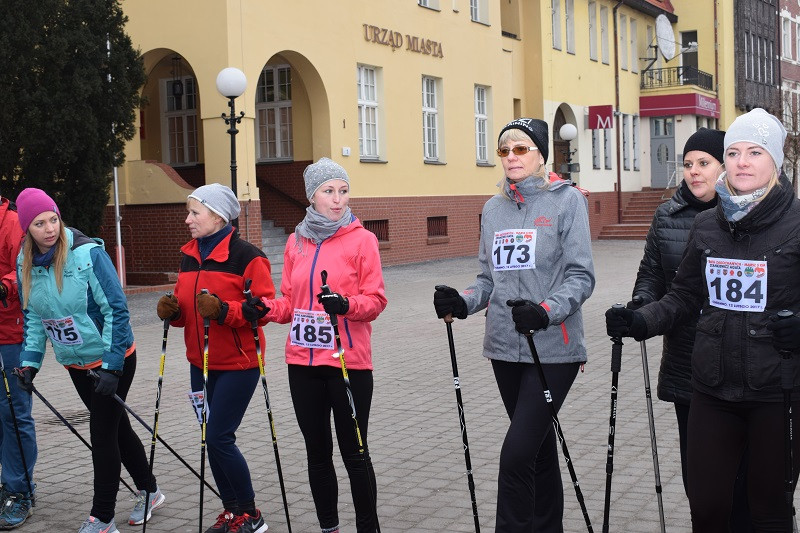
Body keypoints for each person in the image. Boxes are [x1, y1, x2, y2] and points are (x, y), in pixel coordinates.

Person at [606, 108, 800, 532]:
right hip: (711, 387)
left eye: (755, 152)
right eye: (733, 152)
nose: (742, 162)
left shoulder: (796, 222)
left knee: (768, 511)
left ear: (776, 162)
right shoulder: (709, 224)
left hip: (777, 390)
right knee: (708, 506)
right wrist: (640, 321)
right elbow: (684, 295)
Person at [433, 118, 595, 532]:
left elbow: (581, 276)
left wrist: (546, 309)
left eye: (520, 149)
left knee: (516, 454)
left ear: (541, 154)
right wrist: (463, 302)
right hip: (504, 347)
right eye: (504, 150)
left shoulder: (566, 201)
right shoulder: (493, 208)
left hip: (554, 347)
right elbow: (488, 280)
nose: (511, 157)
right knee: (538, 451)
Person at [14, 187, 164, 533]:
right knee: (117, 429)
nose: (49, 228)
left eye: (53, 219)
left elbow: (117, 310)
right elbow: (35, 317)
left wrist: (112, 366)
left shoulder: (86, 254)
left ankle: (103, 516)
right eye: (39, 223)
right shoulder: (26, 263)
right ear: (27, 229)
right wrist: (30, 363)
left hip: (112, 358)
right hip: (75, 363)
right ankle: (150, 490)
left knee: (102, 434)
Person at [260, 157, 387, 533]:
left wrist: (346, 305)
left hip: (348, 363)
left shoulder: (363, 240)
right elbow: (288, 304)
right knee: (317, 454)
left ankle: (368, 527)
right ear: (311, 197)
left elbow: (376, 300)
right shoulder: (296, 241)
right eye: (328, 191)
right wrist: (262, 309)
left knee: (355, 454)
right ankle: (328, 526)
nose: (337, 199)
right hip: (303, 363)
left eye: (343, 191)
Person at [156, 183, 273, 533]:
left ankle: (251, 514)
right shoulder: (188, 255)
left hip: (239, 364)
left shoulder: (247, 256)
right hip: (199, 363)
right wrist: (173, 313)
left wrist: (225, 311)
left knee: (220, 437)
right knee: (210, 437)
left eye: (195, 212)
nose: (188, 219)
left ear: (218, 216)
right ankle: (232, 511)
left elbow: (264, 308)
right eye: (188, 212)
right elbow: (188, 313)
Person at [0, 189, 36, 530]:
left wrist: (4, 286)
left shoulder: (12, 223)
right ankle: (7, 484)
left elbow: (23, 269)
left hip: (10, 336)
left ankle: (20, 491)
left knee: (13, 413)